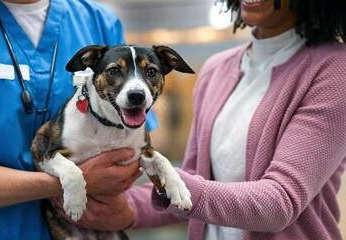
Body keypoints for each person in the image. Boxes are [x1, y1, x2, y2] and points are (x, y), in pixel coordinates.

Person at [77, 0, 346, 239]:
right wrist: (126, 208)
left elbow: (279, 203)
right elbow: (196, 188)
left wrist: (168, 177)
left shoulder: (334, 72)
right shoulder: (216, 69)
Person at [0, 0, 146, 239]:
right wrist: (69, 182)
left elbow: (133, 145)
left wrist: (127, 212)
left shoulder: (98, 22)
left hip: (83, 228)